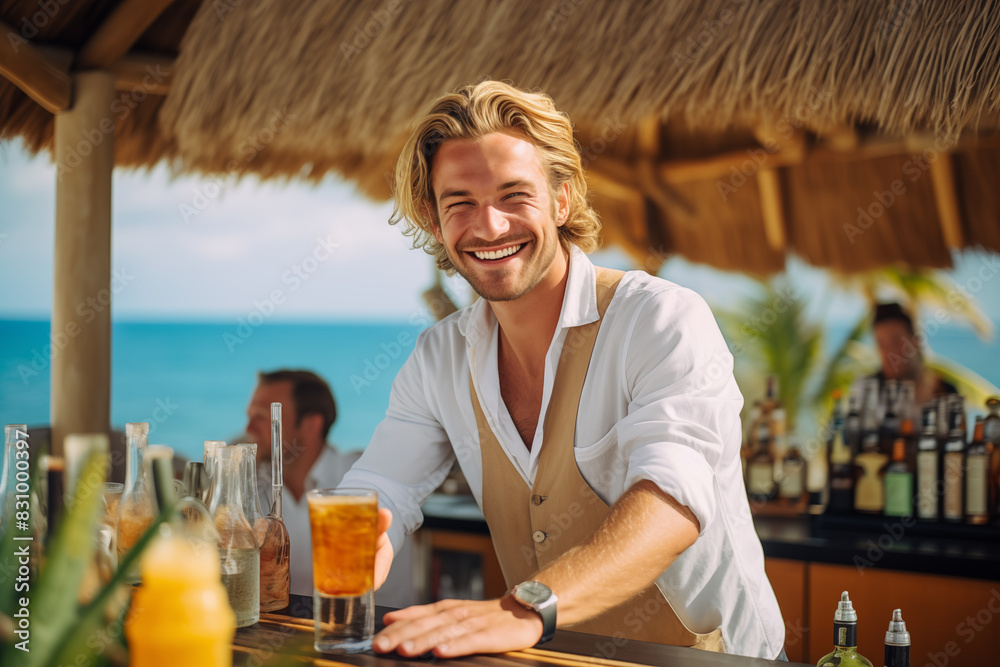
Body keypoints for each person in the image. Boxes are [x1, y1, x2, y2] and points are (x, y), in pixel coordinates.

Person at [339, 81, 785, 659]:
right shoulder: (439, 356)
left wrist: (526, 609)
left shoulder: (660, 320)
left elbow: (673, 497)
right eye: (461, 203)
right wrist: (354, 544)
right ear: (433, 219)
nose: (490, 226)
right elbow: (386, 484)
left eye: (513, 195)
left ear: (563, 200)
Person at [244, 369, 416, 607]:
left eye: (262, 418)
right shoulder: (253, 486)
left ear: (311, 424)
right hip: (282, 631)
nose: (249, 428)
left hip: (369, 627)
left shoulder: (367, 483)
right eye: (250, 416)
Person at [871, 302, 956, 403]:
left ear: (915, 342)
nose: (889, 353)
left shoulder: (944, 393)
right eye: (881, 344)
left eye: (896, 342)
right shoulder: (869, 391)